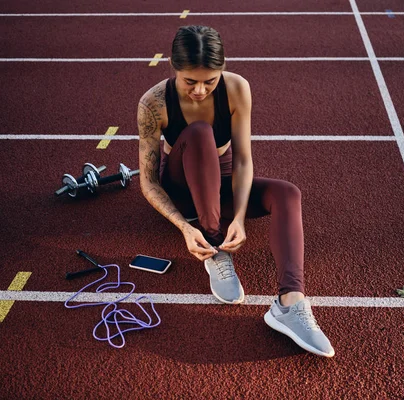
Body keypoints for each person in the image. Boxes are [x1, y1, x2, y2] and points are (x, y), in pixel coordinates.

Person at [137, 25, 334, 357]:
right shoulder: (154, 103)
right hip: (182, 191)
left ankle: (290, 304)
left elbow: (243, 160)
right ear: (173, 68)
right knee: (200, 133)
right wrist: (185, 227)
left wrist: (240, 217)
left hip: (223, 186)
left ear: (223, 69)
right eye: (190, 82)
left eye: (209, 81)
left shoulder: (237, 89)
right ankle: (213, 244)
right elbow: (148, 181)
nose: (200, 91)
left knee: (288, 194)